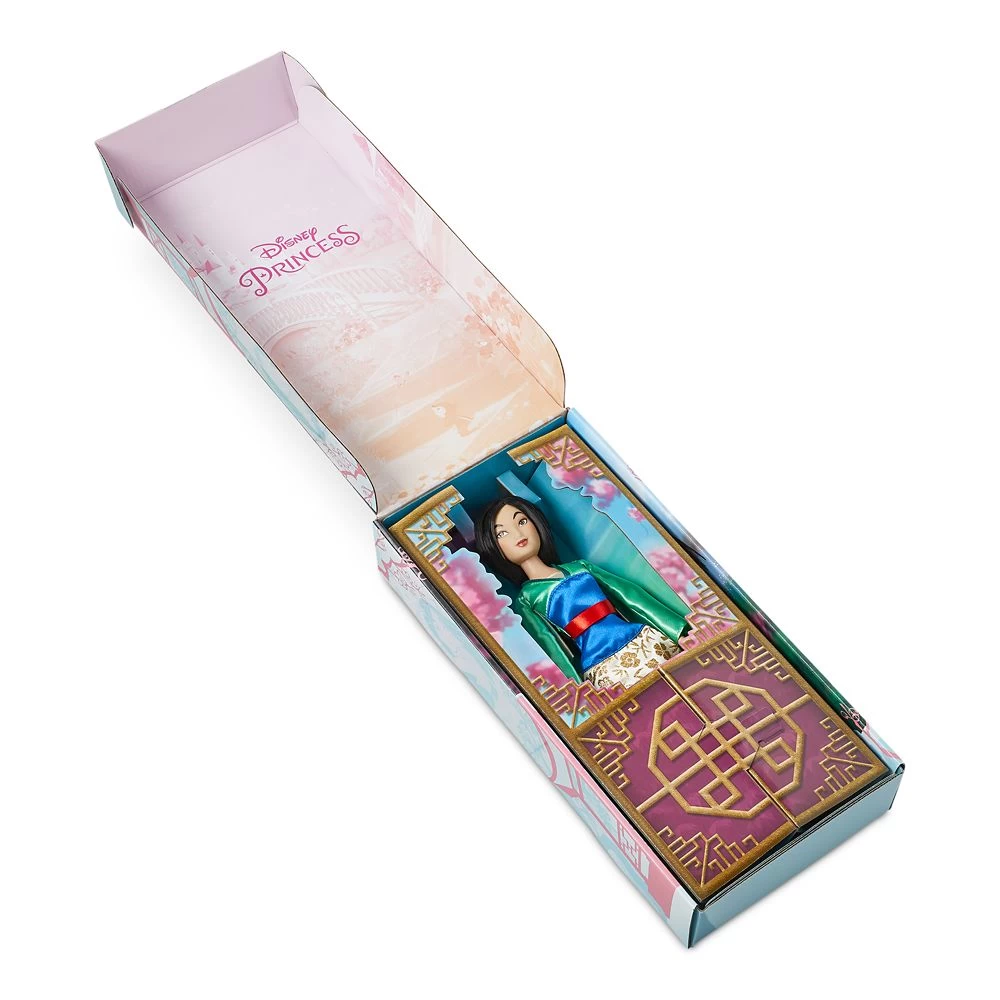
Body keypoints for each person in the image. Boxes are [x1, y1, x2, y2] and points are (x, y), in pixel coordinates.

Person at [475, 498, 688, 689]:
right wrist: (579, 690)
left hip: (640, 639)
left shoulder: (580, 567)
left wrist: (675, 628)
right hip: (602, 665)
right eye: (501, 533)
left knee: (684, 678)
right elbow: (553, 648)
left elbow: (630, 596)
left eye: (522, 521)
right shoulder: (528, 598)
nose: (518, 534)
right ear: (493, 546)